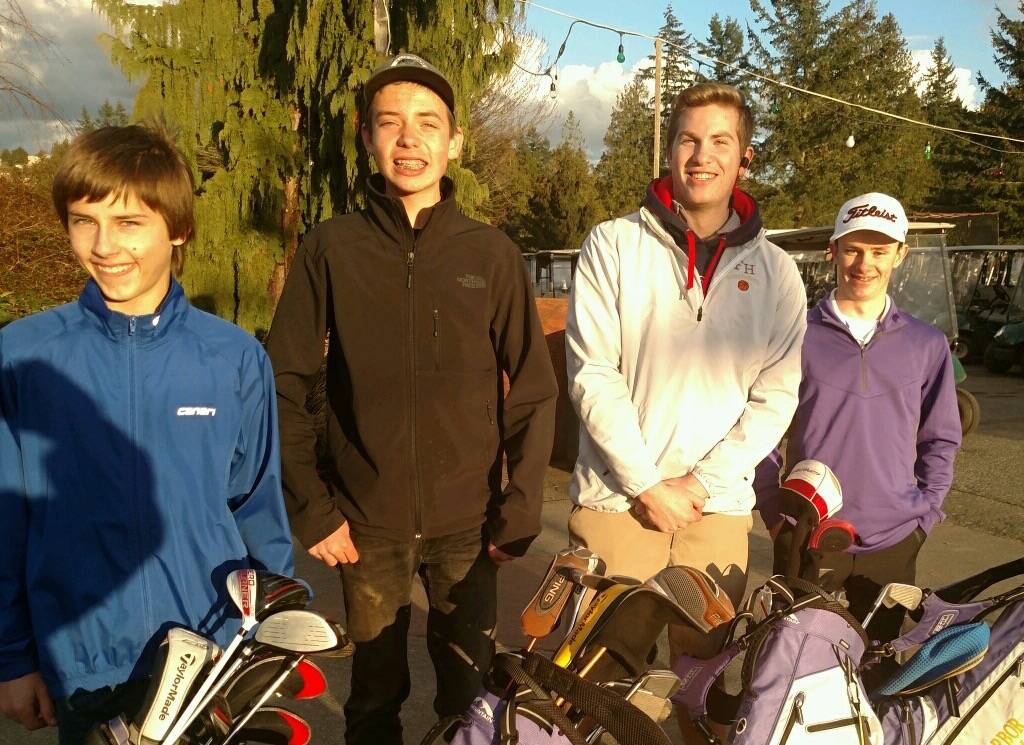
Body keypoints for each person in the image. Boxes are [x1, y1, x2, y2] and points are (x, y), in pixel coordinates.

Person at [264, 53, 557, 744]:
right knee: (373, 698)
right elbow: (284, 382)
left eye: (428, 124)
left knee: (471, 697)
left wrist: (519, 511)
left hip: (469, 526)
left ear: (454, 141)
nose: (408, 139)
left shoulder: (490, 255)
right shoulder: (329, 249)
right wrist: (313, 505)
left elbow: (535, 391)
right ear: (366, 137)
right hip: (364, 524)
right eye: (390, 123)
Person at [0, 124, 294, 744]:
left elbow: (258, 509)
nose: (104, 245)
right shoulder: (22, 357)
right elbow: (7, 522)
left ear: (178, 228)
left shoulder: (234, 359)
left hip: (209, 660)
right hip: (82, 666)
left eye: (129, 223)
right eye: (84, 220)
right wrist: (12, 657)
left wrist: (275, 632)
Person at [565, 81, 806, 738]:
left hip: (715, 512)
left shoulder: (779, 274)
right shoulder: (612, 245)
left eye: (720, 142)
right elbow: (592, 372)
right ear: (669, 149)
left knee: (701, 690)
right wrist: (646, 483)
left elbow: (774, 396)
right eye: (689, 139)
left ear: (745, 158)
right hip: (619, 504)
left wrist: (697, 484)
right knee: (600, 685)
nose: (702, 155)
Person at [765, 192, 962, 643]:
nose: (864, 263)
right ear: (832, 250)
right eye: (853, 249)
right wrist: (775, 512)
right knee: (796, 669)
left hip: (894, 542)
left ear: (900, 255)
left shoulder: (926, 344)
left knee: (878, 673)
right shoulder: (795, 336)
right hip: (808, 536)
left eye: (879, 250)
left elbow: (941, 438)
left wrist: (924, 514)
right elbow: (761, 429)